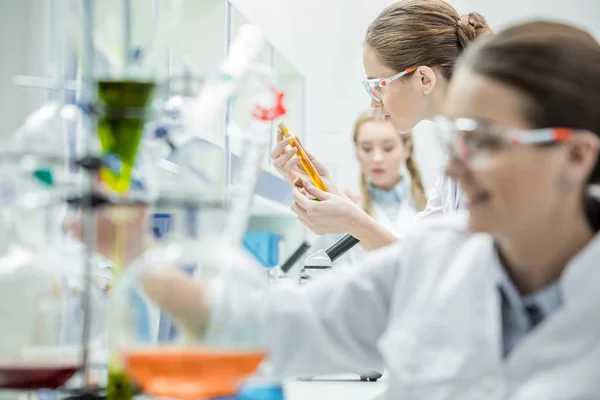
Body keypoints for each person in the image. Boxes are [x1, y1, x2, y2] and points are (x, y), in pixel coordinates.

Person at [79, 20, 600, 399]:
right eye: (457, 139)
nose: (456, 167)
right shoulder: (441, 259)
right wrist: (133, 250)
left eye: (484, 142)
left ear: (575, 156)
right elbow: (273, 327)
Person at [271, 0, 491, 251]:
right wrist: (329, 192)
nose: (374, 103)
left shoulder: (487, 153)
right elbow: (412, 254)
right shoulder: (455, 156)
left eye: (377, 86)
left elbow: (440, 266)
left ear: (424, 78)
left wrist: (351, 220)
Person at [311, 109, 427, 265]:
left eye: (388, 148)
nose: (377, 158)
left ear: (406, 149)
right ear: (357, 151)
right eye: (367, 148)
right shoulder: (346, 208)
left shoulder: (432, 207)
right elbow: (321, 270)